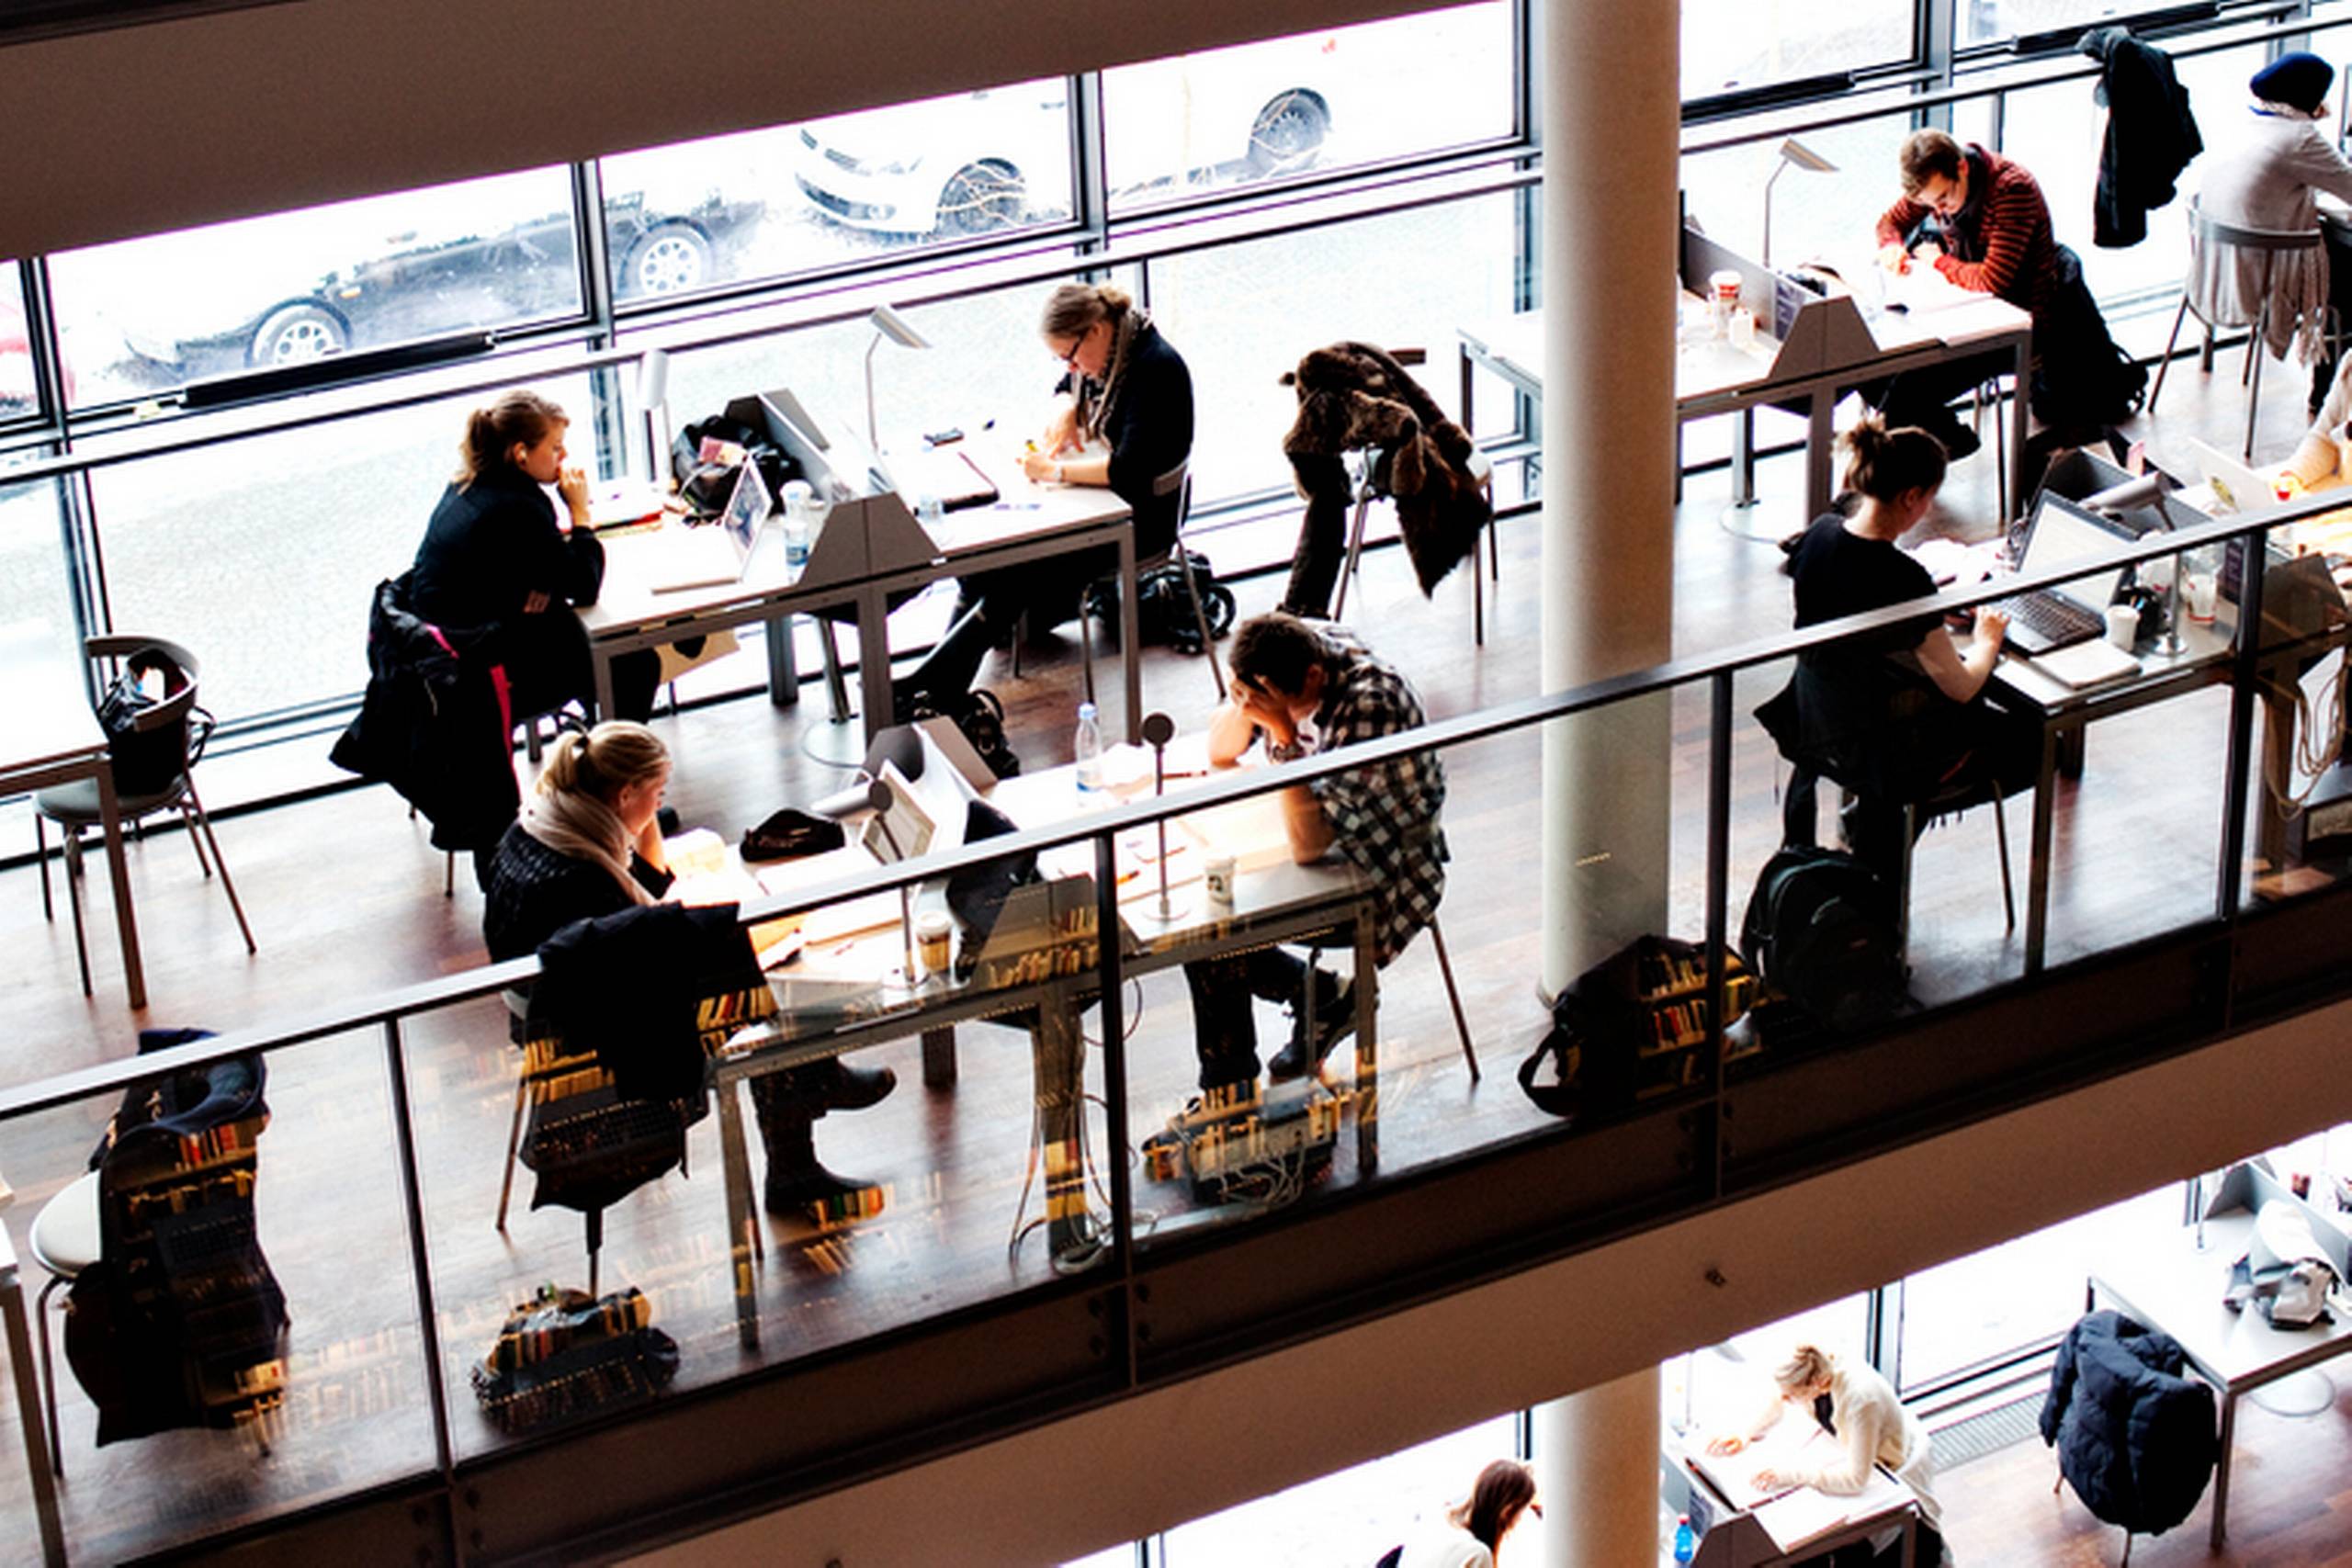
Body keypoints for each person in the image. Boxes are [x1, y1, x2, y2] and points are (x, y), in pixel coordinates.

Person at [482, 722, 895, 1215]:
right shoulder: (578, 877)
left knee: (748, 964)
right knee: (766, 986)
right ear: (622, 793)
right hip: (589, 1032)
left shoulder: (552, 820)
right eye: (655, 794)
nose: (660, 805)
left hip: (557, 994)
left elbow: (649, 883)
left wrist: (643, 813)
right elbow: (643, 948)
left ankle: (818, 1079)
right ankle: (795, 1167)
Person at [894, 283, 1193, 713]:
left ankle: (937, 682)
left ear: (1094, 331)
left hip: (1142, 521)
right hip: (1109, 507)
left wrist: (1051, 470)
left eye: (1070, 355)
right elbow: (1066, 384)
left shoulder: (1154, 369)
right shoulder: (1113, 352)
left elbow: (1129, 472)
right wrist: (1064, 408)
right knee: (994, 557)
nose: (1071, 367)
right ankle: (942, 679)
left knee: (1021, 566)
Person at [1763, 417, 2037, 886]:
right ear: (1912, 496)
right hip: (1886, 747)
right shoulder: (1902, 577)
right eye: (1929, 497)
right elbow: (1960, 686)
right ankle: (1886, 827)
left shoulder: (1820, 536)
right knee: (2034, 743)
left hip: (1822, 722)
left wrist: (1930, 620)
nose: (1928, 507)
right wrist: (1987, 639)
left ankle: (1876, 828)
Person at [1180, 613, 1447, 1092]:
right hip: (1322, 828)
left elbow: (1310, 846)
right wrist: (1248, 705)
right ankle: (1318, 1000)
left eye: (1292, 706)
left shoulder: (1372, 706)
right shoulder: (1290, 646)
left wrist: (1282, 735)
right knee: (1204, 924)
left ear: (1314, 677)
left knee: (1215, 933)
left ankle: (1232, 1094)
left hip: (1380, 868)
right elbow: (1220, 752)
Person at [410, 389, 660, 728]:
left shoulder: (468, 484)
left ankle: (597, 744)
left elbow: (526, 562)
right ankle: (615, 770)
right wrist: (580, 513)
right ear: (521, 453)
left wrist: (544, 583)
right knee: (635, 662)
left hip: (452, 650)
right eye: (555, 447)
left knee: (583, 634)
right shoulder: (516, 508)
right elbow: (585, 585)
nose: (565, 455)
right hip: (485, 671)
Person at [1871, 130, 2061, 459]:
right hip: (1961, 314)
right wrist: (1892, 247)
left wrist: (1938, 261)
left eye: (1944, 199)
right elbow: (1890, 222)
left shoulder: (2012, 190)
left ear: (1961, 167)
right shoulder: (1935, 187)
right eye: (1930, 205)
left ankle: (1889, 482)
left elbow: (1992, 280)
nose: (1939, 211)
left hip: (2016, 326)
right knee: (1872, 368)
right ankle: (1944, 437)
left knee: (1903, 391)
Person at [2194, 51, 2352, 416]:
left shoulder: (2250, 122)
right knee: (2349, 289)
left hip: (2221, 266)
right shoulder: (2298, 137)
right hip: (2264, 274)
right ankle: (2328, 398)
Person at [1707, 1344, 1946, 1567]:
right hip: (1838, 1454)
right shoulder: (1815, 1365)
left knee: (1807, 1539)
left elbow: (1855, 1480)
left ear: (1819, 1384)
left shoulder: (1861, 1401)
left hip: (1881, 1472)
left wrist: (1792, 1476)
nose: (1786, 1400)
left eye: (1792, 1396)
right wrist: (1746, 1434)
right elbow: (1778, 1401)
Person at [1386, 1459, 1540, 1568]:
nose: (1520, 1520)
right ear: (1507, 1512)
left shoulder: (1436, 1521)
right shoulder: (1477, 1554)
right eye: (1520, 1513)